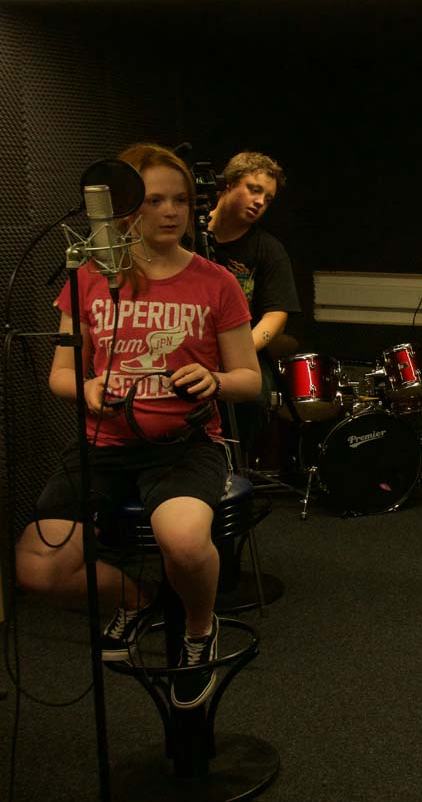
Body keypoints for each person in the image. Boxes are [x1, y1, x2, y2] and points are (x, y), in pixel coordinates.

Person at [15, 143, 261, 710]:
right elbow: (60, 375)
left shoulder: (216, 282)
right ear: (124, 207)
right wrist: (87, 389)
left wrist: (215, 380)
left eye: (181, 200)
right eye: (154, 200)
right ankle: (136, 599)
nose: (170, 211)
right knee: (38, 568)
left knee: (185, 542)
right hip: (103, 446)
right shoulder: (88, 279)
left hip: (182, 447)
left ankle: (199, 629)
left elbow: (250, 379)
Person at [207, 151, 300, 464]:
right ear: (228, 184)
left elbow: (276, 315)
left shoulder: (268, 250)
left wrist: (237, 350)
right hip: (184, 345)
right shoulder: (185, 234)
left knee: (252, 396)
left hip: (240, 351)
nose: (260, 202)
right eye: (254, 189)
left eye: (268, 199)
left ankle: (232, 468)